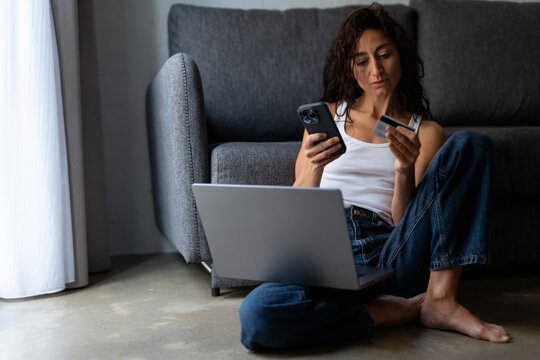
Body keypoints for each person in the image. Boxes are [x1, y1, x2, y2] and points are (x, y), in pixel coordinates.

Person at [238, 3, 511, 351]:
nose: (376, 70)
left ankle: (440, 299)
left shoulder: (425, 132)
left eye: (384, 55)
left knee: (472, 144)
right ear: (350, 67)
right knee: (258, 314)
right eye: (362, 60)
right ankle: (384, 314)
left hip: (389, 253)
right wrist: (316, 166)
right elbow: (296, 213)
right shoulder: (326, 119)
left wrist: (403, 170)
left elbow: (409, 222)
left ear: (402, 57)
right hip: (326, 251)